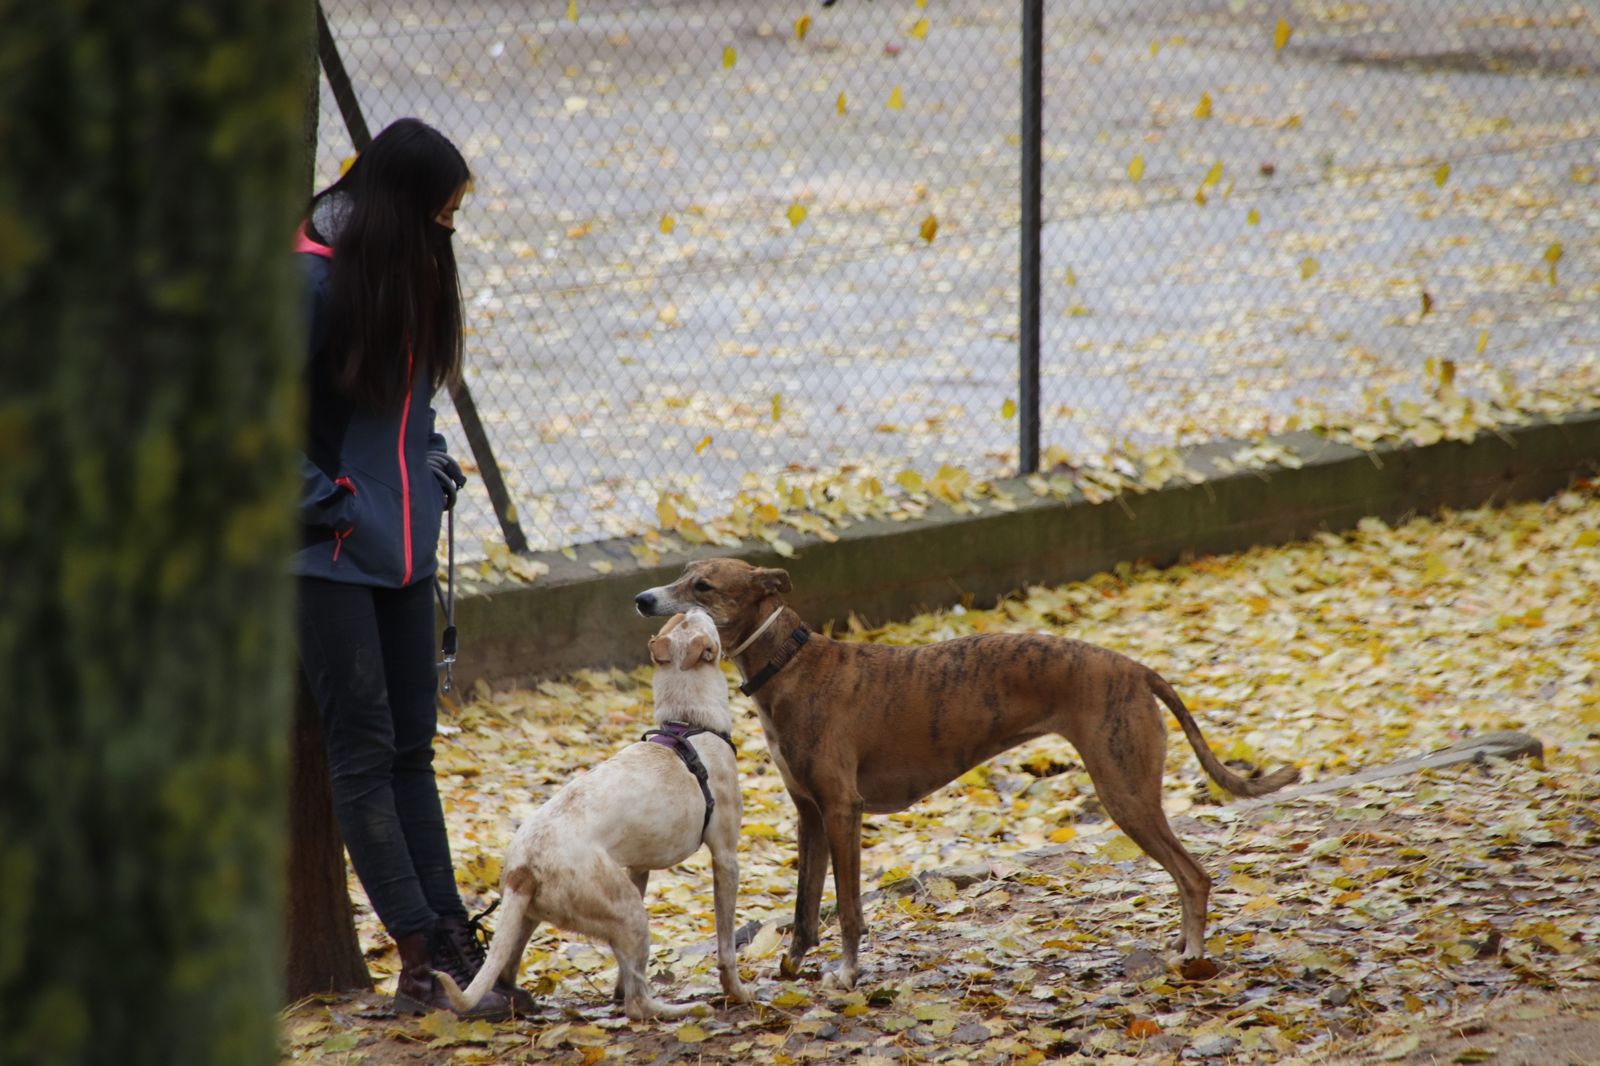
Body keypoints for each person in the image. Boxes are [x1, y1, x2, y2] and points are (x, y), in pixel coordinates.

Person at [292, 117, 528, 1019]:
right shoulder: (311, 277)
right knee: (362, 756)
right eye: (444, 214)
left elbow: (408, 411)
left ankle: (459, 946)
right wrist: (328, 505)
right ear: (404, 208)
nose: (451, 232)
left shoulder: (399, 270)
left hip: (402, 556)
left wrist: (428, 470)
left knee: (413, 753)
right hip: (327, 559)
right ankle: (421, 960)